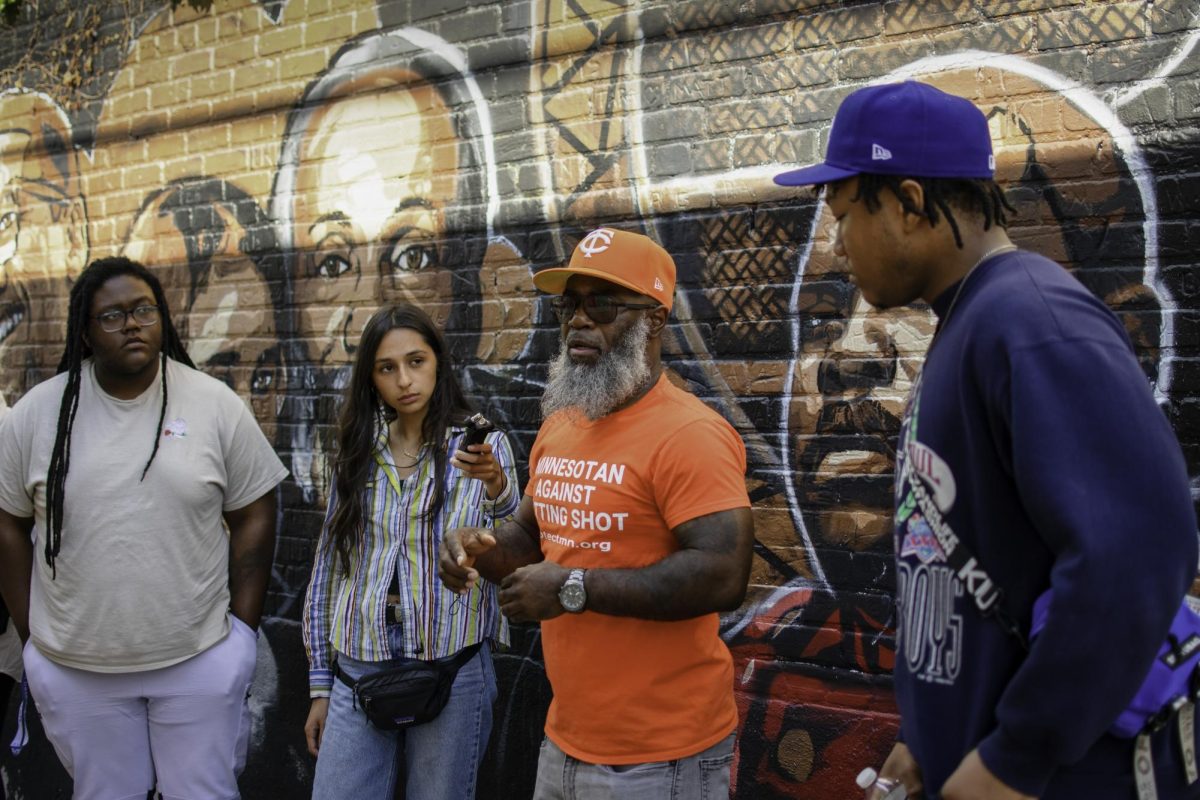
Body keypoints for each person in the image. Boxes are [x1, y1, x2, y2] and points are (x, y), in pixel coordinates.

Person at [773, 80, 1198, 799]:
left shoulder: (1030, 321)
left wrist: (1015, 759)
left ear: (910, 202)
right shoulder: (972, 321)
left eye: (844, 215)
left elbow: (1138, 550)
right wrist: (926, 735)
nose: (836, 243)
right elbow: (977, 558)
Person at [439, 227, 755, 799]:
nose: (578, 320)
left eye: (602, 304)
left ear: (654, 320)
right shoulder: (563, 422)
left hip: (663, 758)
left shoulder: (691, 434)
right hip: (564, 741)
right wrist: (479, 547)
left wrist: (571, 589)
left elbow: (723, 573)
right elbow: (531, 537)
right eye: (570, 304)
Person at [0, 256, 287, 798]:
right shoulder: (38, 414)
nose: (132, 324)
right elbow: (7, 524)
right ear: (84, 332)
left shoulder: (213, 404)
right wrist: (32, 637)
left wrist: (243, 635)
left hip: (197, 658)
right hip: (76, 667)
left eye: (143, 310)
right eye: (112, 316)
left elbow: (254, 510)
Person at [302, 302, 520, 799]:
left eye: (416, 361)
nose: (404, 379)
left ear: (438, 362)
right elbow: (329, 570)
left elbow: (518, 549)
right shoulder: (358, 451)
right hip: (358, 667)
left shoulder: (480, 448)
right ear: (372, 379)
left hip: (451, 667)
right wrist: (320, 685)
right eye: (387, 368)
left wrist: (500, 488)